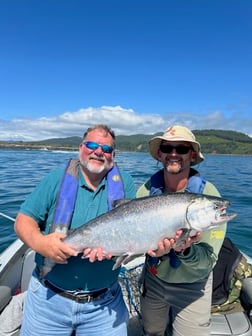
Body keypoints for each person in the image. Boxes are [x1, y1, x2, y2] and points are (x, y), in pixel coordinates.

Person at [14, 124, 136, 336]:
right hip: (48, 301)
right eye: (92, 145)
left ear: (113, 155)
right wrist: (41, 244)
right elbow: (23, 221)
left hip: (104, 305)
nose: (99, 151)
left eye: (106, 149)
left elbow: (132, 232)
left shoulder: (125, 183)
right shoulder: (55, 179)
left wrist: (115, 249)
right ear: (81, 148)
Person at [137, 125, 227, 336]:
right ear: (160, 154)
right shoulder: (146, 190)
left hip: (193, 286)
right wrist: (151, 251)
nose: (174, 154)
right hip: (154, 278)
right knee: (151, 331)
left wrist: (185, 250)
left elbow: (208, 259)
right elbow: (137, 236)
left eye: (182, 149)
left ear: (192, 155)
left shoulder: (209, 195)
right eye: (167, 148)